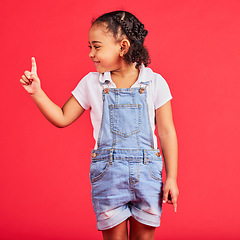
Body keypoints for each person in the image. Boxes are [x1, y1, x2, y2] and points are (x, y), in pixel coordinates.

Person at [20, 10, 179, 240]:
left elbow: (166, 131)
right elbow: (63, 117)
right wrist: (37, 93)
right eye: (90, 48)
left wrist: (171, 177)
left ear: (122, 46)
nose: (91, 54)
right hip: (109, 176)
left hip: (148, 175)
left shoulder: (155, 82)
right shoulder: (91, 83)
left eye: (97, 47)